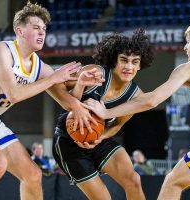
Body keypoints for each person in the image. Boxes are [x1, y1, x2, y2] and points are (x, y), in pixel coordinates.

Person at [83, 19, 190, 200]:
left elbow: (152, 100)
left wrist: (106, 112)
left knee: (173, 181)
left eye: (188, 41)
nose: (185, 47)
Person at [0, 2, 97, 199]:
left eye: (44, 29)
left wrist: (82, 85)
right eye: (36, 27)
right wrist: (53, 77)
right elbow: (14, 94)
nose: (41, 33)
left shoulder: (39, 67)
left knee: (32, 175)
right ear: (19, 30)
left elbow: (65, 96)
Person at [52, 29, 154, 200]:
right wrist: (75, 105)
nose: (129, 66)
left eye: (135, 62)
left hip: (98, 139)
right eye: (124, 60)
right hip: (68, 143)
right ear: (114, 60)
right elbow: (54, 85)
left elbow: (117, 125)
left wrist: (101, 137)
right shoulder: (96, 73)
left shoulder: (135, 96)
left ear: (140, 65)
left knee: (134, 180)